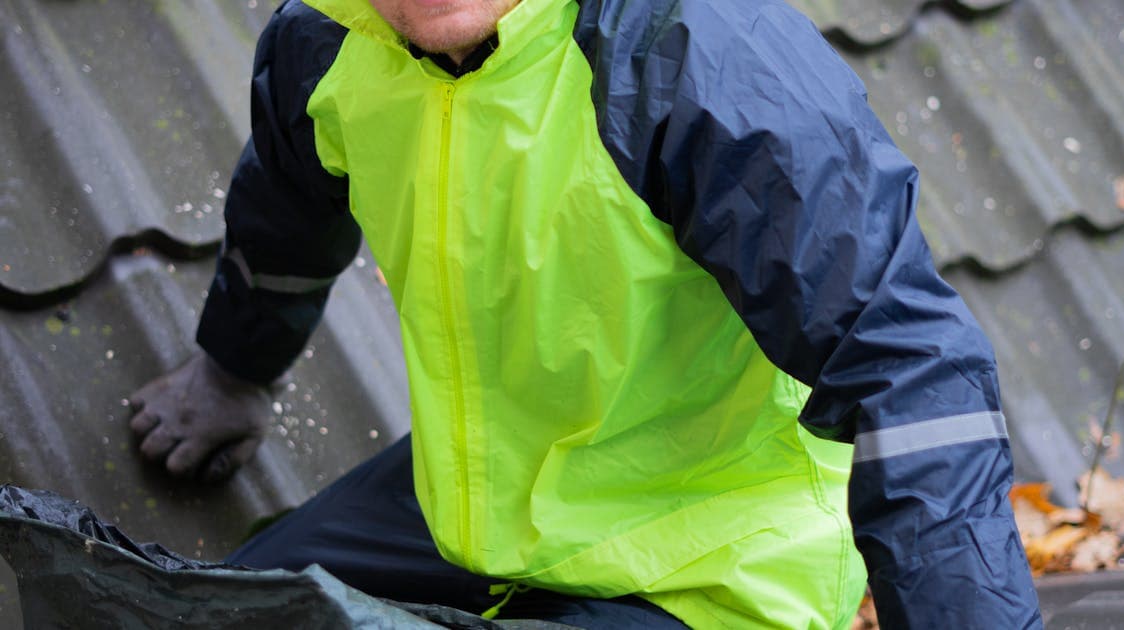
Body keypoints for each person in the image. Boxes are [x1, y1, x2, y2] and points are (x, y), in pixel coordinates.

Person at [129, 0, 1043, 627]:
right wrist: (234, 367)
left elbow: (912, 373)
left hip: (707, 558)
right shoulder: (325, 43)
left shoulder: (696, 57)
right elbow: (287, 207)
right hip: (480, 499)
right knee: (201, 615)